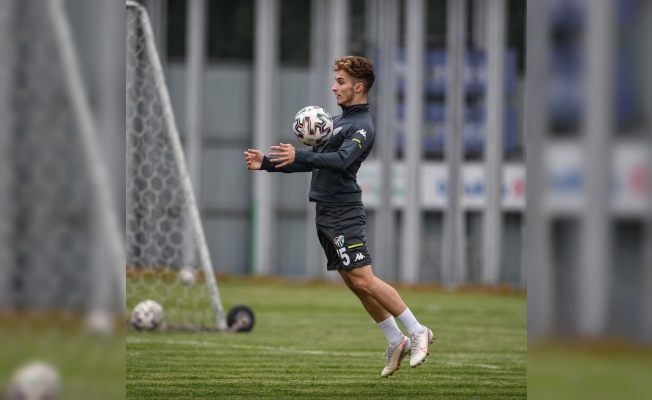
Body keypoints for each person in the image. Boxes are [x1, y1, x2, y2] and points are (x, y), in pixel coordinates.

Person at [244, 56, 433, 378]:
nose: (334, 87)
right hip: (327, 211)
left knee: (364, 278)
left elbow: (342, 159)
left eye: (341, 82)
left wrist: (301, 153)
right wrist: (267, 163)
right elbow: (314, 161)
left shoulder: (362, 126)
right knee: (354, 283)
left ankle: (417, 331)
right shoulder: (337, 122)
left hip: (344, 211)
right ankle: (395, 340)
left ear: (358, 87)